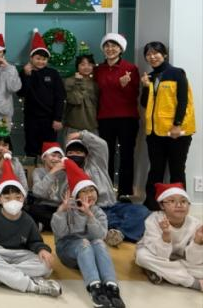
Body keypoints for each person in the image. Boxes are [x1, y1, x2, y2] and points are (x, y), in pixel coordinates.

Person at [0, 153, 61, 297]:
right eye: (7, 198)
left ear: (23, 198)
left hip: (21, 255)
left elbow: (36, 241)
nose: (13, 201)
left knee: (46, 266)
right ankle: (32, 286)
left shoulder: (27, 219)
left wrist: (42, 250)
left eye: (17, 197)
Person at [52, 158, 125, 308]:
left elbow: (101, 236)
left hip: (91, 253)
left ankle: (111, 286)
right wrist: (61, 211)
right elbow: (60, 234)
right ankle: (94, 287)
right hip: (68, 251)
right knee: (84, 243)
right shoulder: (68, 210)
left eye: (92, 190)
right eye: (84, 191)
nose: (89, 194)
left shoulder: (98, 212)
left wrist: (90, 216)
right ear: (76, 195)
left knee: (99, 243)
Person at [64, 131, 149, 245]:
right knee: (105, 221)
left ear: (86, 154)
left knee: (141, 211)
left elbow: (102, 145)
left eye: (79, 152)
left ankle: (120, 233)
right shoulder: (65, 174)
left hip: (114, 205)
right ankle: (117, 232)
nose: (75, 155)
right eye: (70, 153)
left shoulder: (97, 164)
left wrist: (82, 135)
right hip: (93, 210)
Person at [140, 42, 196, 210]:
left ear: (164, 55)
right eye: (148, 54)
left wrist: (177, 125)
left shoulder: (176, 73)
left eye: (156, 53)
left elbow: (183, 101)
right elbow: (145, 104)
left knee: (176, 170)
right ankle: (152, 205)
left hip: (176, 132)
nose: (152, 57)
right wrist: (145, 87)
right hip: (155, 132)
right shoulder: (150, 77)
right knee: (155, 170)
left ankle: (179, 206)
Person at [94, 33, 140, 199]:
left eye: (114, 46)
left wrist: (125, 86)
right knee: (106, 155)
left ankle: (125, 192)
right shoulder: (98, 69)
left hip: (127, 118)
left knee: (126, 155)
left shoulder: (130, 68)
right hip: (105, 118)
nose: (110, 49)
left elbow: (135, 95)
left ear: (121, 49)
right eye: (107, 46)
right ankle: (106, 191)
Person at [136, 183, 203, 290]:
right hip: (155, 254)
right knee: (142, 257)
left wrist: (197, 242)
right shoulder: (153, 220)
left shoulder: (196, 224)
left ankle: (162, 272)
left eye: (183, 201)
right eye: (172, 201)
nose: (179, 205)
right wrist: (166, 235)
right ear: (162, 206)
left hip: (179, 259)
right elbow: (161, 255)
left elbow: (194, 261)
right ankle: (191, 282)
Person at [17, 29, 65, 157]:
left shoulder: (53, 74)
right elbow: (21, 93)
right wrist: (26, 75)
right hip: (31, 119)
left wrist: (57, 118)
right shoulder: (25, 72)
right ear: (31, 58)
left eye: (44, 59)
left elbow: (60, 97)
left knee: (49, 150)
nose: (41, 62)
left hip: (50, 119)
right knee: (31, 149)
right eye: (38, 58)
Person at [28, 142, 66, 231]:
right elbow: (38, 192)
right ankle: (57, 226)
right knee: (32, 209)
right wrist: (53, 172)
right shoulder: (38, 172)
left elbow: (65, 197)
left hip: (60, 207)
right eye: (53, 155)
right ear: (44, 157)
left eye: (59, 157)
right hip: (43, 207)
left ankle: (46, 226)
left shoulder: (64, 174)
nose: (56, 159)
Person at [63, 43, 99, 134]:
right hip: (73, 127)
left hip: (93, 127)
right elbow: (76, 99)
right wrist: (79, 82)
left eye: (90, 64)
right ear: (77, 66)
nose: (86, 67)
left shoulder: (95, 83)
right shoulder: (69, 81)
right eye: (83, 64)